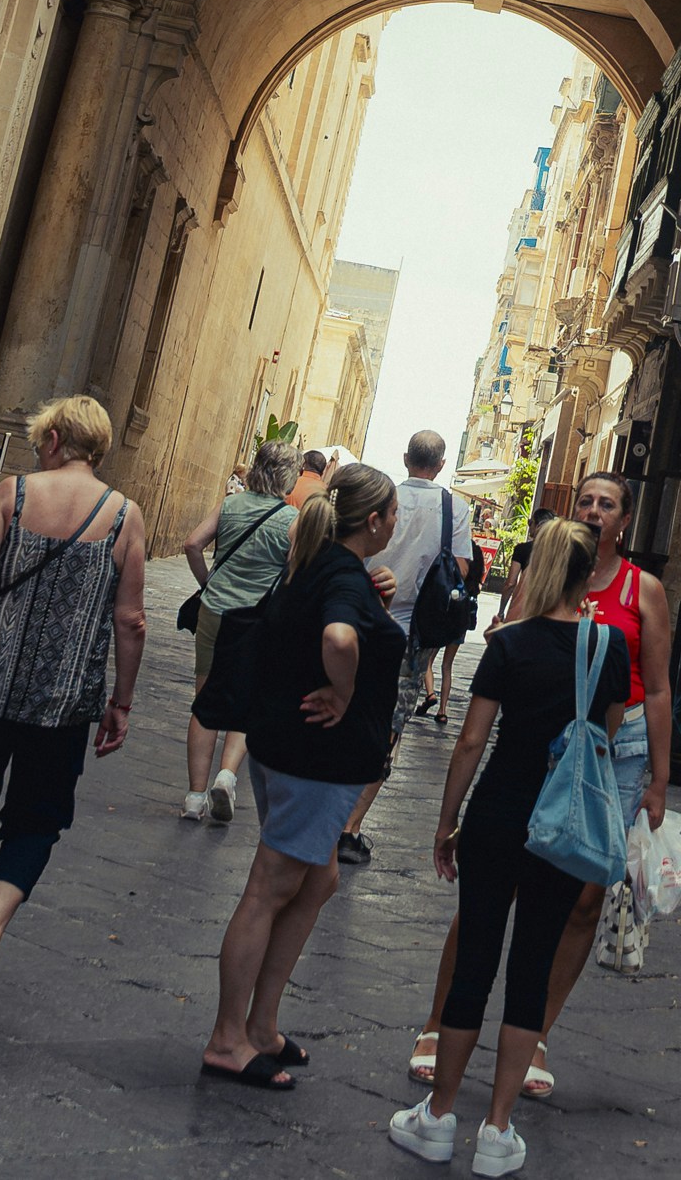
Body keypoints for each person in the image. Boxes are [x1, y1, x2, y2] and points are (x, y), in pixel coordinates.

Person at [402, 469, 671, 1097]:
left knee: (579, 900)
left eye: (609, 504)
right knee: (490, 900)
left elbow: (654, 687)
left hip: (610, 749)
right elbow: (508, 646)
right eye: (587, 501)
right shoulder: (543, 577)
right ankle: (439, 1024)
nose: (597, 511)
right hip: (539, 748)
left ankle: (535, 1035)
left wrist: (660, 778)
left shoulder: (643, 591)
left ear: (625, 520)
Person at [0, 393, 152, 1024]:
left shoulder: (14, 495)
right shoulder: (125, 517)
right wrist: (120, 701)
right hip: (63, 703)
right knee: (35, 823)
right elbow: (131, 619)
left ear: (54, 440)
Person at [393, 516, 624, 1176]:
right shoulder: (609, 647)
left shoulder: (508, 644)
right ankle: (497, 1130)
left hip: (499, 813)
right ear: (588, 575)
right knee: (531, 969)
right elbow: (603, 736)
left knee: (475, 963)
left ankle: (437, 1119)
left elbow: (471, 741)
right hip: (562, 825)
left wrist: (447, 819)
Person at [200, 460, 403, 1088]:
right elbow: (339, 638)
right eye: (393, 513)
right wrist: (342, 692)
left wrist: (372, 599)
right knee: (269, 886)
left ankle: (261, 1025)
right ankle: (228, 1038)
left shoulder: (322, 564)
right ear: (374, 520)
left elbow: (338, 617)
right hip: (318, 755)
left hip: (283, 745)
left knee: (317, 883)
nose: (396, 522)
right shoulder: (340, 574)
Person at [344, 430, 470, 866]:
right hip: (409, 635)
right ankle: (351, 825)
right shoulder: (455, 508)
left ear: (405, 457)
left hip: (356, 620)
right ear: (441, 463)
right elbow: (460, 568)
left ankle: (330, 805)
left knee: (343, 709)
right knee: (388, 727)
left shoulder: (380, 494)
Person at [183, 439, 302, 823]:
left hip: (214, 612)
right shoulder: (291, 519)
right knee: (247, 700)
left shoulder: (230, 504)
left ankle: (193, 798)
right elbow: (297, 573)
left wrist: (207, 586)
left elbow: (192, 544)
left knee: (205, 700)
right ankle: (227, 774)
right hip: (255, 620)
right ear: (289, 477)